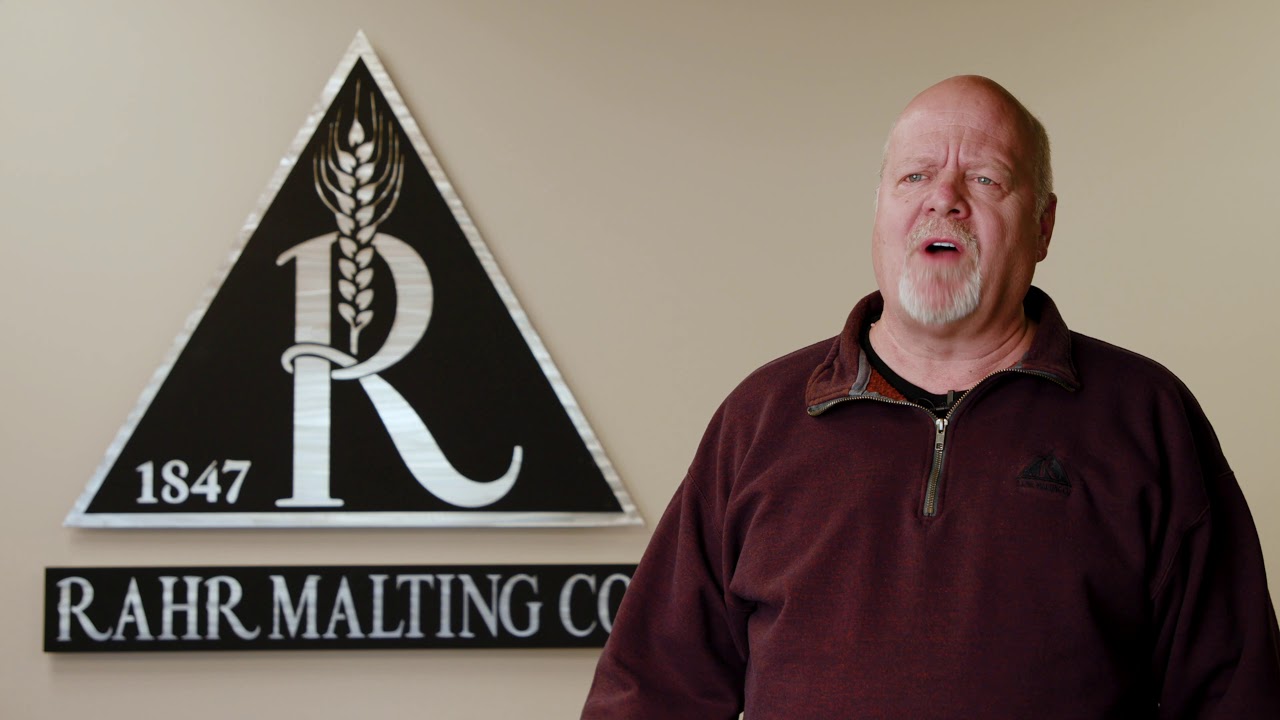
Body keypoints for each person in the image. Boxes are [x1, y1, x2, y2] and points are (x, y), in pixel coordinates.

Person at [581, 76, 1280, 718]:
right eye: (914, 175)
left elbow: (1235, 695)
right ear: (880, 209)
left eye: (984, 177)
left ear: (1044, 225)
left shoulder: (1147, 418)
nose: (942, 198)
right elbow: (650, 692)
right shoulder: (761, 419)